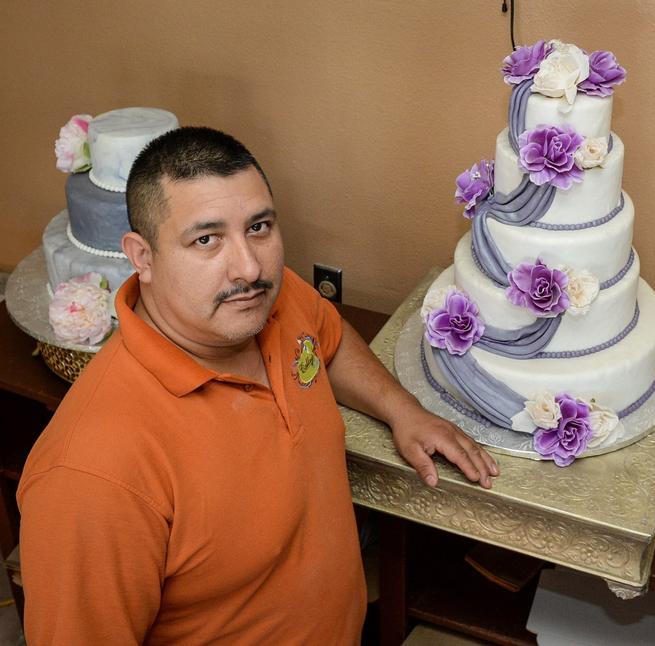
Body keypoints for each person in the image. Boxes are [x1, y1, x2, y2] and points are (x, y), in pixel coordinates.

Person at [17, 126, 499, 643]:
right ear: (142, 256)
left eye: (259, 227)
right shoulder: (92, 475)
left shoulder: (266, 298)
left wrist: (402, 409)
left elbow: (326, 339)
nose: (248, 266)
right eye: (206, 239)